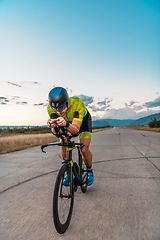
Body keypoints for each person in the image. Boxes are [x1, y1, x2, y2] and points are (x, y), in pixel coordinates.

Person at [47, 86, 94, 186]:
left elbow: (76, 130)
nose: (59, 111)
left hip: (83, 122)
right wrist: (53, 127)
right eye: (55, 108)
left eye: (61, 107)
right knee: (63, 141)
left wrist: (66, 125)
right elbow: (56, 133)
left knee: (84, 149)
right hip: (66, 122)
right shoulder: (51, 109)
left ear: (67, 102)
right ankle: (68, 170)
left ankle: (89, 170)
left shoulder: (77, 104)